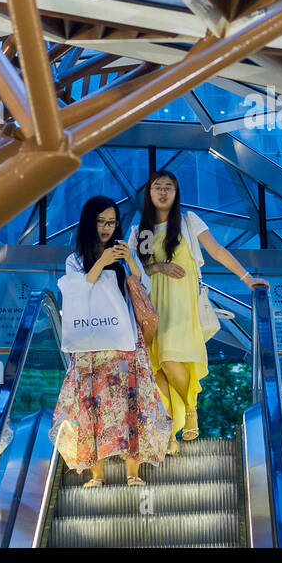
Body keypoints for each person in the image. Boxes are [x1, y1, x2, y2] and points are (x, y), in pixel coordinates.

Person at [129, 169, 268, 452]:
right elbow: (132, 271)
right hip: (150, 307)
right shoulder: (139, 231)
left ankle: (191, 409)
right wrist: (159, 267)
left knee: (169, 360)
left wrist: (247, 278)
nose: (164, 192)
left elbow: (216, 250)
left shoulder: (188, 221)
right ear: (149, 193)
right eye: (158, 187)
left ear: (176, 193)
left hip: (181, 304)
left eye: (169, 187)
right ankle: (168, 434)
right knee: (158, 372)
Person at [50, 195, 172, 486]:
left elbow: (143, 288)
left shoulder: (122, 253)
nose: (107, 228)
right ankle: (97, 475)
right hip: (90, 347)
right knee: (92, 405)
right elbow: (77, 290)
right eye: (102, 222)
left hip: (124, 341)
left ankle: (133, 473)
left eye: (112, 222)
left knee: (132, 404)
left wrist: (130, 260)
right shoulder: (75, 259)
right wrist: (102, 262)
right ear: (89, 223)